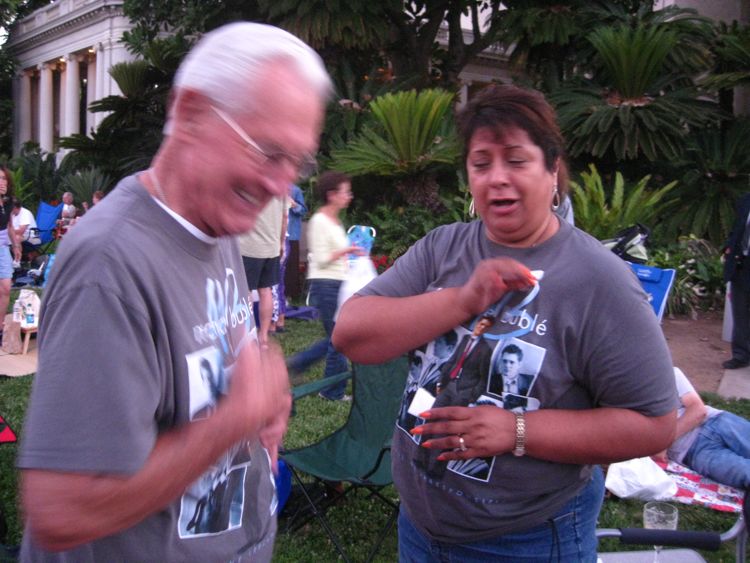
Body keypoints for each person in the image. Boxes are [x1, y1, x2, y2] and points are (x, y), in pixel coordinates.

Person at [17, 22, 331, 562]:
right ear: (189, 113)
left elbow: (201, 361)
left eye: (296, 163)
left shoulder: (218, 222)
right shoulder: (109, 264)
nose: (283, 187)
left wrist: (258, 387)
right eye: (267, 152)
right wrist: (233, 420)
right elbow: (60, 510)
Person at [333, 84, 677, 561]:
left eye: (516, 160)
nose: (497, 178)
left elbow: (655, 422)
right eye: (481, 163)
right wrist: (463, 299)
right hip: (419, 528)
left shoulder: (600, 280)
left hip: (528, 539)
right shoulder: (443, 248)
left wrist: (516, 430)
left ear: (552, 169)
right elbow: (351, 334)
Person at [287, 171, 362, 401]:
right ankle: (331, 391)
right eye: (345, 192)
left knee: (336, 337)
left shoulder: (335, 221)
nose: (349, 196)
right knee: (338, 340)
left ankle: (298, 364)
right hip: (326, 285)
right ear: (332, 195)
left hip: (338, 284)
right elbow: (320, 258)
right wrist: (347, 251)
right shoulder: (320, 221)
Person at [653, 367, 750, 490]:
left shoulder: (666, 371)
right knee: (746, 473)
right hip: (693, 451)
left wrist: (663, 443)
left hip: (717, 421)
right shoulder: (623, 398)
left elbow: (698, 411)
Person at [238, 195, 287, 346]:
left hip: (249, 246)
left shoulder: (251, 182)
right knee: (265, 291)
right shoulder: (282, 188)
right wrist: (281, 242)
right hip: (271, 247)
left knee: (245, 291)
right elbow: (284, 217)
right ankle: (264, 336)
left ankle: (246, 334)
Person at [722, 192, 750, 369]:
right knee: (740, 312)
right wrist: (729, 247)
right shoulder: (746, 200)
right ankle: (741, 355)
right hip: (742, 264)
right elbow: (737, 229)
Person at [0, 167, 21, 336]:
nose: (2, 182)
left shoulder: (8, 203)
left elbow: (9, 226)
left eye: (4, 179)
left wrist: (16, 245)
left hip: (3, 248)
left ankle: (0, 328)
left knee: (6, 288)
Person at [284, 183, 307, 299]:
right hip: (274, 235)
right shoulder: (272, 188)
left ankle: (289, 295)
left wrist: (294, 205)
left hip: (291, 235)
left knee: (291, 266)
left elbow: (303, 211)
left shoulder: (295, 190)